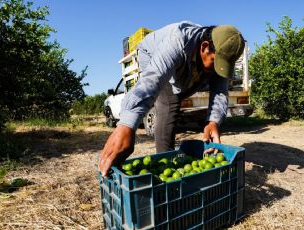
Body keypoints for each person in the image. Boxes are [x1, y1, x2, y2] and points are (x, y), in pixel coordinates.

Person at [99, 21, 245, 176]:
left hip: (185, 63)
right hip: (151, 55)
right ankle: (165, 162)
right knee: (169, 103)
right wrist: (127, 125)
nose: (217, 69)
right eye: (216, 62)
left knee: (186, 90)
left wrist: (213, 121)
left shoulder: (218, 50)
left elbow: (220, 90)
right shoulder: (178, 41)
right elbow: (152, 80)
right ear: (204, 47)